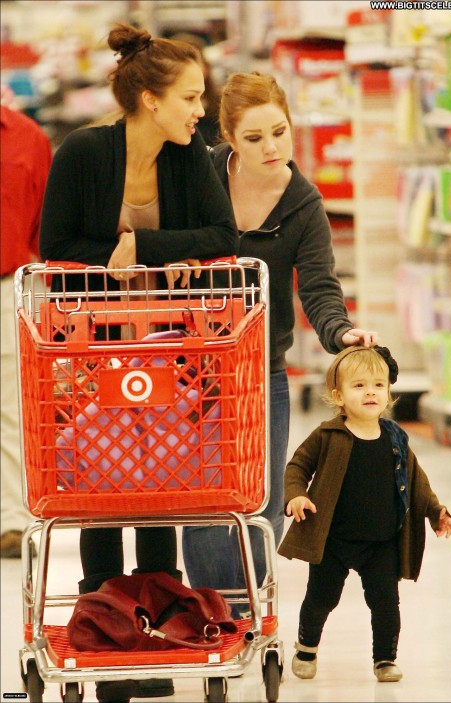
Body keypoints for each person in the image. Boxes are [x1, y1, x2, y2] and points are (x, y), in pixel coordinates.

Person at [39, 24, 237, 703]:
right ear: (150, 99)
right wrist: (115, 261)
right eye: (190, 97)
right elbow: (55, 244)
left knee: (160, 486)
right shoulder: (84, 152)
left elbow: (223, 234)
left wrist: (145, 248)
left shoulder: (190, 159)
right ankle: (101, 631)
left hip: (170, 352)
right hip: (91, 351)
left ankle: (158, 634)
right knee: (100, 489)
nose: (200, 111)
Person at [182, 72, 379, 606]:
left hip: (260, 368)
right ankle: (212, 614)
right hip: (188, 365)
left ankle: (248, 612)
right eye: (254, 137)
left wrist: (342, 332)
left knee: (262, 499)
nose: (271, 147)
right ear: (228, 138)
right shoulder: (200, 175)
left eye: (280, 132)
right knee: (203, 498)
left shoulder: (303, 202)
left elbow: (318, 287)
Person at [278, 346, 451, 682]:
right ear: (339, 395)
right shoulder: (328, 435)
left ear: (389, 391)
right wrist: (297, 495)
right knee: (322, 598)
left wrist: (436, 511)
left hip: (382, 542)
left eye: (378, 385)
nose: (370, 392)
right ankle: (306, 647)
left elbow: (416, 481)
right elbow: (297, 466)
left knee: (386, 604)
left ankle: (385, 659)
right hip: (334, 540)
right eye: (359, 386)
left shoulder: (395, 438)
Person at [1, 104, 52, 559]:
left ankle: (12, 522)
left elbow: (43, 222)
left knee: (10, 408)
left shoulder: (27, 137)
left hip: (6, 284)